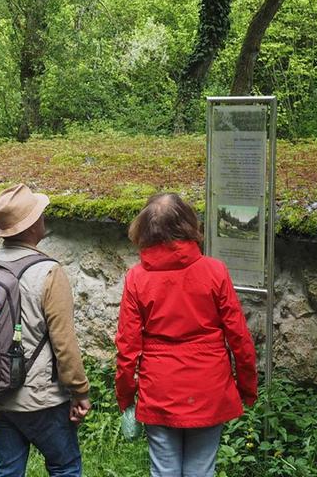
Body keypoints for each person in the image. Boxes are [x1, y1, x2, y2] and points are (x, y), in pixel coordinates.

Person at [114, 192, 258, 477]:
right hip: (209, 385)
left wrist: (125, 396)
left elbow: (127, 346)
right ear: (189, 225)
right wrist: (246, 386)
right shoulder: (215, 271)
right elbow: (239, 336)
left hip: (159, 387)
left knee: (164, 470)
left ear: (144, 228)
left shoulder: (137, 278)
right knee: (201, 470)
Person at [0, 183, 92, 477]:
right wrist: (79, 391)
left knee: (9, 470)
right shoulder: (48, 272)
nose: (43, 218)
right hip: (43, 397)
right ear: (31, 227)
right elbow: (64, 342)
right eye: (40, 214)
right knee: (65, 467)